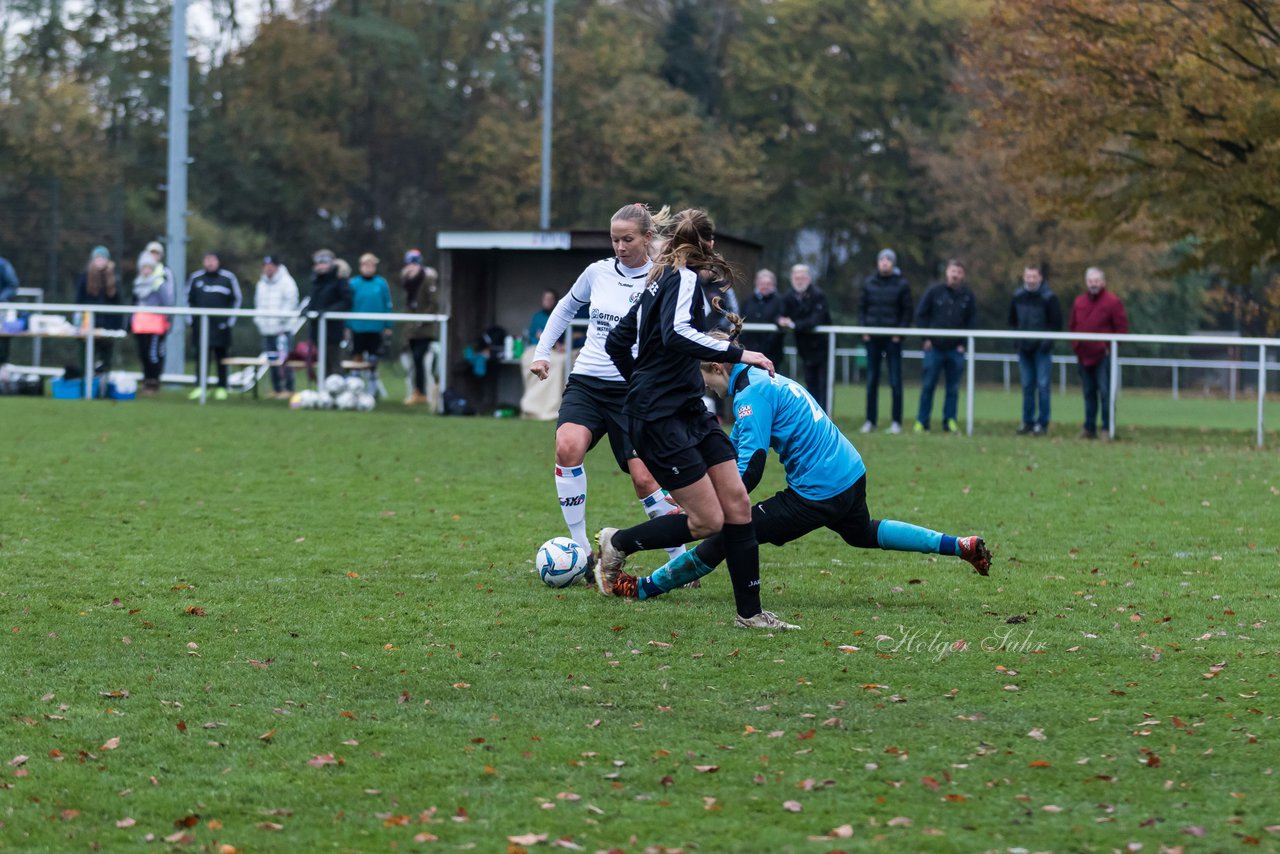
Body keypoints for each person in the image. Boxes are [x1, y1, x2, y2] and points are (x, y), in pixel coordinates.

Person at [603, 354, 992, 603]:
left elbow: (750, 470)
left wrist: (716, 506)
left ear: (718, 367)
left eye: (707, 382)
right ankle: (959, 545)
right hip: (850, 471)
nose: (708, 390)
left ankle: (642, 587)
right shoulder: (761, 379)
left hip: (818, 490)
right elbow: (730, 457)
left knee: (730, 532)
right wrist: (688, 489)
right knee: (862, 532)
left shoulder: (749, 397)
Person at [597, 207, 785, 630]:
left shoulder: (661, 280)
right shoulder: (678, 278)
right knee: (708, 521)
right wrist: (740, 353)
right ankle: (620, 541)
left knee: (737, 504)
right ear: (709, 244)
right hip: (660, 419)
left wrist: (641, 382)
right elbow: (678, 333)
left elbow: (618, 342)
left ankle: (751, 615)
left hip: (690, 411)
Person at [528, 204, 687, 567]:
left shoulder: (664, 279)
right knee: (567, 447)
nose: (619, 246)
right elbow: (566, 308)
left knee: (645, 480)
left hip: (632, 389)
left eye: (627, 239)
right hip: (587, 381)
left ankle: (679, 558)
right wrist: (543, 353)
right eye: (614, 239)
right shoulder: (597, 272)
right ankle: (582, 549)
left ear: (647, 238)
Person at [913, 259, 977, 433]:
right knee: (928, 386)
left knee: (953, 388)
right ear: (947, 272)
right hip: (934, 348)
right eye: (952, 270)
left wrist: (963, 343)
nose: (955, 274)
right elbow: (921, 315)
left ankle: (949, 421)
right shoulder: (934, 291)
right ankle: (922, 421)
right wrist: (925, 338)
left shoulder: (968, 295)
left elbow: (972, 321)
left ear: (962, 275)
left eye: (958, 271)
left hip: (955, 350)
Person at [1069, 266, 1129, 440]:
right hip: (1083, 354)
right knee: (1088, 392)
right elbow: (1073, 325)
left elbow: (1122, 329)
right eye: (1090, 281)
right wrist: (1076, 345)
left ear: (1103, 282)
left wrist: (1108, 348)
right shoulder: (1079, 302)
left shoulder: (1112, 302)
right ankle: (1089, 427)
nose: (1093, 284)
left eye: (1096, 281)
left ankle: (1106, 428)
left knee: (1105, 392)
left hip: (1103, 356)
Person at [858, 249, 912, 433]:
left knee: (895, 381)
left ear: (893, 263)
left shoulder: (902, 285)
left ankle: (896, 422)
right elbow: (862, 309)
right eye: (882, 259)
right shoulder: (869, 283)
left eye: (888, 259)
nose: (884, 262)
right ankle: (870, 421)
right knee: (871, 380)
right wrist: (863, 330)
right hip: (872, 339)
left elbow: (907, 312)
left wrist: (900, 333)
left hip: (893, 340)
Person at [1009, 265, 1062, 435]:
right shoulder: (1017, 296)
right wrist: (1017, 342)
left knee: (1043, 385)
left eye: (1034, 277)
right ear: (1024, 277)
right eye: (1028, 276)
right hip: (1024, 348)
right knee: (1027, 386)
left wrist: (1046, 343)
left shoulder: (1049, 297)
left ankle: (1042, 424)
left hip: (1042, 349)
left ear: (1040, 278)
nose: (1031, 280)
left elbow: (1056, 324)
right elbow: (1012, 321)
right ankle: (1027, 422)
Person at [185, 251, 242, 401]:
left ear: (218, 261)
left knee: (221, 357)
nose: (210, 263)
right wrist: (191, 320)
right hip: (200, 327)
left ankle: (222, 387)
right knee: (201, 357)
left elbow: (236, 300)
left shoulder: (228, 278)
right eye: (207, 260)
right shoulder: (195, 278)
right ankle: (200, 386)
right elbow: (187, 300)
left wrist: (229, 321)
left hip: (221, 327)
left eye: (213, 260)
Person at [777, 264, 832, 412]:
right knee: (809, 383)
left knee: (823, 385)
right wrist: (780, 321)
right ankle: (812, 416)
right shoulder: (788, 296)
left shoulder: (818, 295)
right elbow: (780, 314)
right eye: (796, 277)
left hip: (822, 348)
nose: (799, 280)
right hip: (804, 348)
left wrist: (794, 324)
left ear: (808, 278)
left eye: (802, 277)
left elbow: (816, 319)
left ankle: (825, 416)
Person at [253, 255, 300, 399]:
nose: (268, 268)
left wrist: (280, 319)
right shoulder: (261, 284)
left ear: (277, 266)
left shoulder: (287, 282)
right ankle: (277, 389)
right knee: (271, 359)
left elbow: (291, 302)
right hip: (267, 329)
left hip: (282, 330)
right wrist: (260, 321)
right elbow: (258, 304)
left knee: (285, 360)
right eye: (266, 265)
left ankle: (289, 388)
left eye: (271, 265)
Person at [73, 246, 123, 373]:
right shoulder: (85, 276)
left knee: (105, 358)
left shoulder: (114, 278)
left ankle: (102, 385)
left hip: (108, 325)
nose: (100, 261)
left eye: (102, 259)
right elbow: (79, 300)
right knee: (87, 356)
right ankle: (87, 381)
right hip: (89, 324)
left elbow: (118, 303)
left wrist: (119, 326)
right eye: (97, 259)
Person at [401, 250, 440, 407]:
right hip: (412, 331)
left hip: (425, 330)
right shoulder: (406, 281)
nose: (412, 266)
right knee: (413, 362)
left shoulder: (428, 279)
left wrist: (421, 319)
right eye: (409, 263)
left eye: (415, 263)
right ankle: (417, 392)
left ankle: (423, 393)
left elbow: (434, 303)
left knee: (420, 360)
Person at [346, 253, 393, 384]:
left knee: (373, 359)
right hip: (357, 328)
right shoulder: (354, 283)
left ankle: (372, 388)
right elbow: (349, 306)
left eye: (372, 265)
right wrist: (347, 325)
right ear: (361, 266)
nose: (369, 268)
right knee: (357, 357)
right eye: (366, 265)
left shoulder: (381, 283)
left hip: (375, 328)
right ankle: (355, 385)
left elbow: (387, 304)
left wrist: (388, 325)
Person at [131, 256, 174, 395]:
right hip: (140, 324)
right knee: (143, 354)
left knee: (153, 355)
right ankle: (146, 380)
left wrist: (168, 321)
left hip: (155, 325)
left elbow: (167, 303)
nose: (146, 270)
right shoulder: (138, 283)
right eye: (144, 267)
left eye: (149, 267)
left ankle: (153, 382)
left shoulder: (159, 283)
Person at [308, 248, 352, 377]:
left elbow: (347, 302)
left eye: (324, 262)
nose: (321, 265)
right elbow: (314, 301)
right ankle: (325, 392)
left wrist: (327, 312)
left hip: (333, 331)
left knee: (334, 365)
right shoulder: (316, 280)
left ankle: (338, 392)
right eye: (318, 262)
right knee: (324, 364)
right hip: (318, 330)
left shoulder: (340, 279)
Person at [738, 268, 785, 368]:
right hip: (749, 351)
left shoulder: (780, 301)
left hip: (772, 353)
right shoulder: (748, 300)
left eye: (768, 284)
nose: (765, 286)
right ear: (757, 283)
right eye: (762, 283)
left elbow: (782, 320)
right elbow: (741, 319)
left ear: (773, 285)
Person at [0, 252, 18, 365]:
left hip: (2, 309)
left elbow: (12, 285)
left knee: (2, 341)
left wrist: (1, 299)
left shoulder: (3, 264)